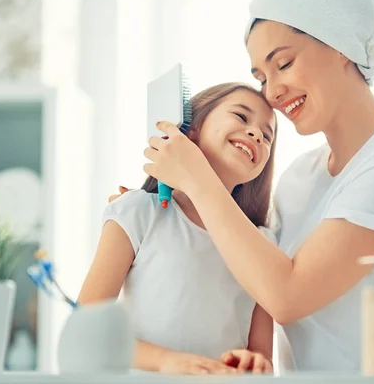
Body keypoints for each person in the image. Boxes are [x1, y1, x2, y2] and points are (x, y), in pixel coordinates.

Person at [127, 0, 374, 377]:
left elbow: (287, 295)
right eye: (261, 77)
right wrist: (152, 218)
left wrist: (195, 176)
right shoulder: (300, 176)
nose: (272, 92)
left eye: (283, 64)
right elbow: (250, 265)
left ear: (340, 44)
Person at [79, 82, 279, 375]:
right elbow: (88, 330)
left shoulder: (263, 245)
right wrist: (167, 361)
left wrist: (256, 362)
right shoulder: (138, 212)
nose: (256, 135)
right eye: (240, 116)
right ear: (191, 129)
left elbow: (261, 354)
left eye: (267, 136)